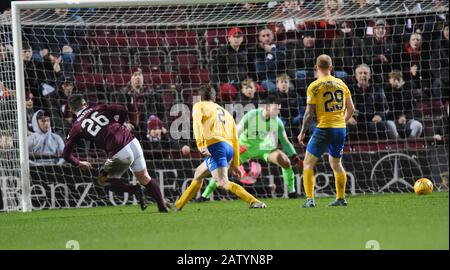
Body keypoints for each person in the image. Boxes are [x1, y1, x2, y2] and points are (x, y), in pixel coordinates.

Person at [62, 94, 170, 213]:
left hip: (119, 151)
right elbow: (123, 109)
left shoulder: (76, 127)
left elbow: (66, 154)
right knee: (145, 177)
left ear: (71, 110)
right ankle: (162, 207)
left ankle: (135, 190)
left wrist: (79, 163)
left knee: (103, 180)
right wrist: (120, 124)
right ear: (84, 103)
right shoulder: (98, 107)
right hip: (133, 142)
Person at [196, 93, 303, 202]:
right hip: (245, 147)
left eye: (279, 109)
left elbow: (285, 142)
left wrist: (295, 157)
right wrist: (233, 148)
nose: (278, 112)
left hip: (264, 148)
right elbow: (237, 132)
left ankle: (292, 192)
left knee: (285, 161)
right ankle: (204, 196)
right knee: (224, 168)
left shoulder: (277, 122)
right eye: (276, 109)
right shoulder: (252, 115)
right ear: (266, 107)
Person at [174, 85, 266, 210]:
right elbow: (235, 139)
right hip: (228, 147)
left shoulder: (199, 106)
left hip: (215, 146)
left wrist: (201, 144)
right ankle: (178, 205)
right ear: (214, 98)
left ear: (200, 98)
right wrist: (235, 163)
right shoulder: (226, 112)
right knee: (198, 173)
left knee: (222, 182)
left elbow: (197, 125)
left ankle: (254, 201)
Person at [297, 54, 355, 208]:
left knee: (308, 164)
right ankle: (341, 198)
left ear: (316, 67)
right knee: (336, 163)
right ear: (331, 68)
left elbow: (309, 114)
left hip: (323, 128)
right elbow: (352, 109)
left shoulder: (314, 86)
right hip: (340, 129)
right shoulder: (341, 84)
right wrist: (343, 121)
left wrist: (302, 132)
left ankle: (310, 200)